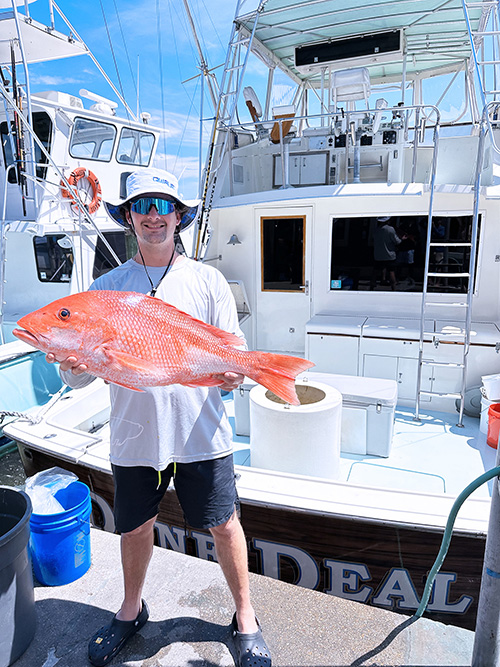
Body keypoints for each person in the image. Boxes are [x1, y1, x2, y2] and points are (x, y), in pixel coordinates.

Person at [46, 168, 272, 667]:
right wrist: (72, 366)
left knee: (225, 523)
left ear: (178, 216)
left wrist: (237, 374)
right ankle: (130, 610)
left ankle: (246, 616)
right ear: (128, 217)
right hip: (134, 435)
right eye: (142, 206)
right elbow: (81, 379)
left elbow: (233, 354)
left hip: (202, 432)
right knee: (134, 526)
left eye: (162, 205)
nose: (152, 215)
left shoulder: (208, 281)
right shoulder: (105, 289)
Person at [370, 216, 403, 290]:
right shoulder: (390, 229)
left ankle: (371, 286)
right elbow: (397, 241)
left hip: (378, 255)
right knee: (391, 271)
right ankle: (393, 288)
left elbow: (372, 240)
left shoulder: (375, 230)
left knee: (375, 271)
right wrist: (401, 239)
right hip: (389, 254)